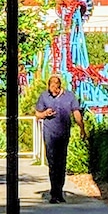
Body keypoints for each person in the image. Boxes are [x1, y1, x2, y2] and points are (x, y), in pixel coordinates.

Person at [35, 73, 85, 204]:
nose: (52, 90)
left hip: (63, 133)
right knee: (52, 162)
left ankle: (59, 191)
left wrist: (82, 128)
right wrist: (44, 113)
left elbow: (76, 112)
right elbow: (37, 114)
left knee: (61, 162)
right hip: (49, 133)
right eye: (50, 87)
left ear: (59, 86)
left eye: (54, 87)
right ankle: (54, 193)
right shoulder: (44, 96)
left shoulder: (69, 96)